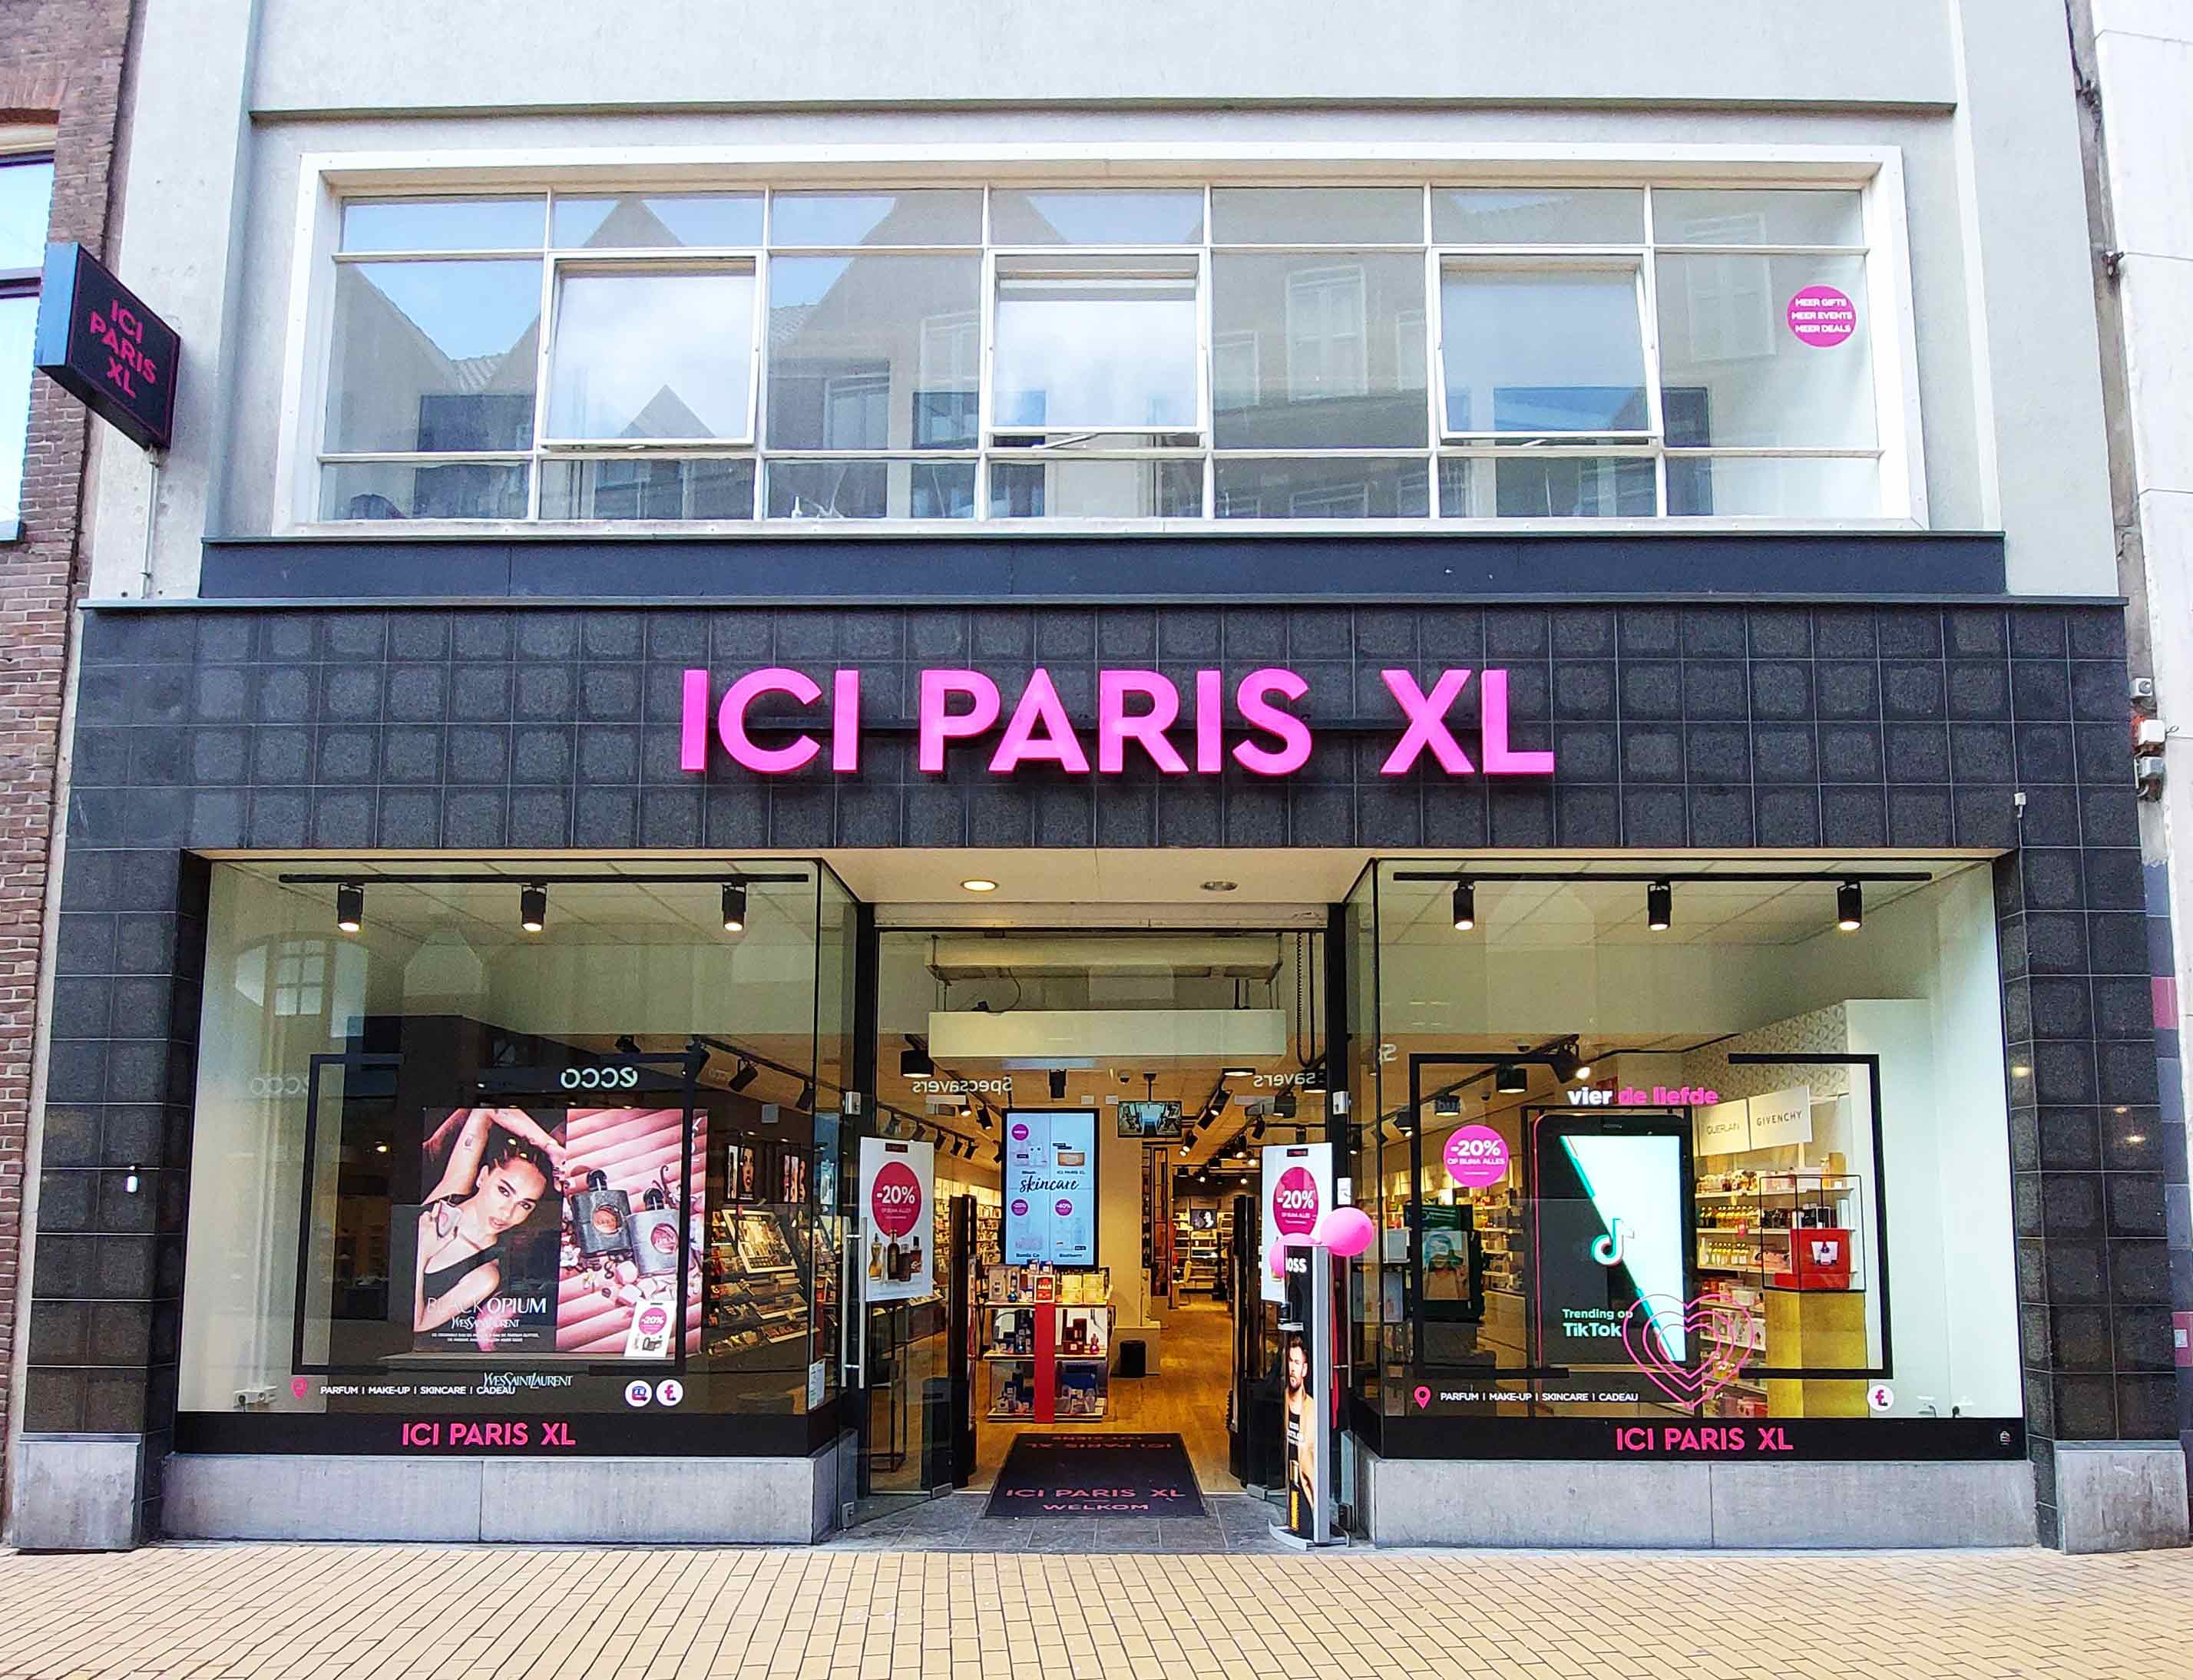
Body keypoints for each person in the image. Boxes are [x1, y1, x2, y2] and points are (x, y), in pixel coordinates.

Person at [413, 1107, 564, 1350]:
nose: (507, 1212)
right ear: (483, 1177)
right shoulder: (452, 1190)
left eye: (525, 1205)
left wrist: (421, 1251)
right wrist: (551, 1148)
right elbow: (484, 1111)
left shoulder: (486, 1275)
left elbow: (417, 1323)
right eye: (504, 1191)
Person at [1283, 1333, 1318, 1533]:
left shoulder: (1312, 1410)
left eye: (1297, 1363)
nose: (1292, 1368)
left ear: (1305, 1369)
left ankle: (1311, 1526)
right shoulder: (1285, 1400)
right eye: (1290, 1361)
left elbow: (1311, 1470)